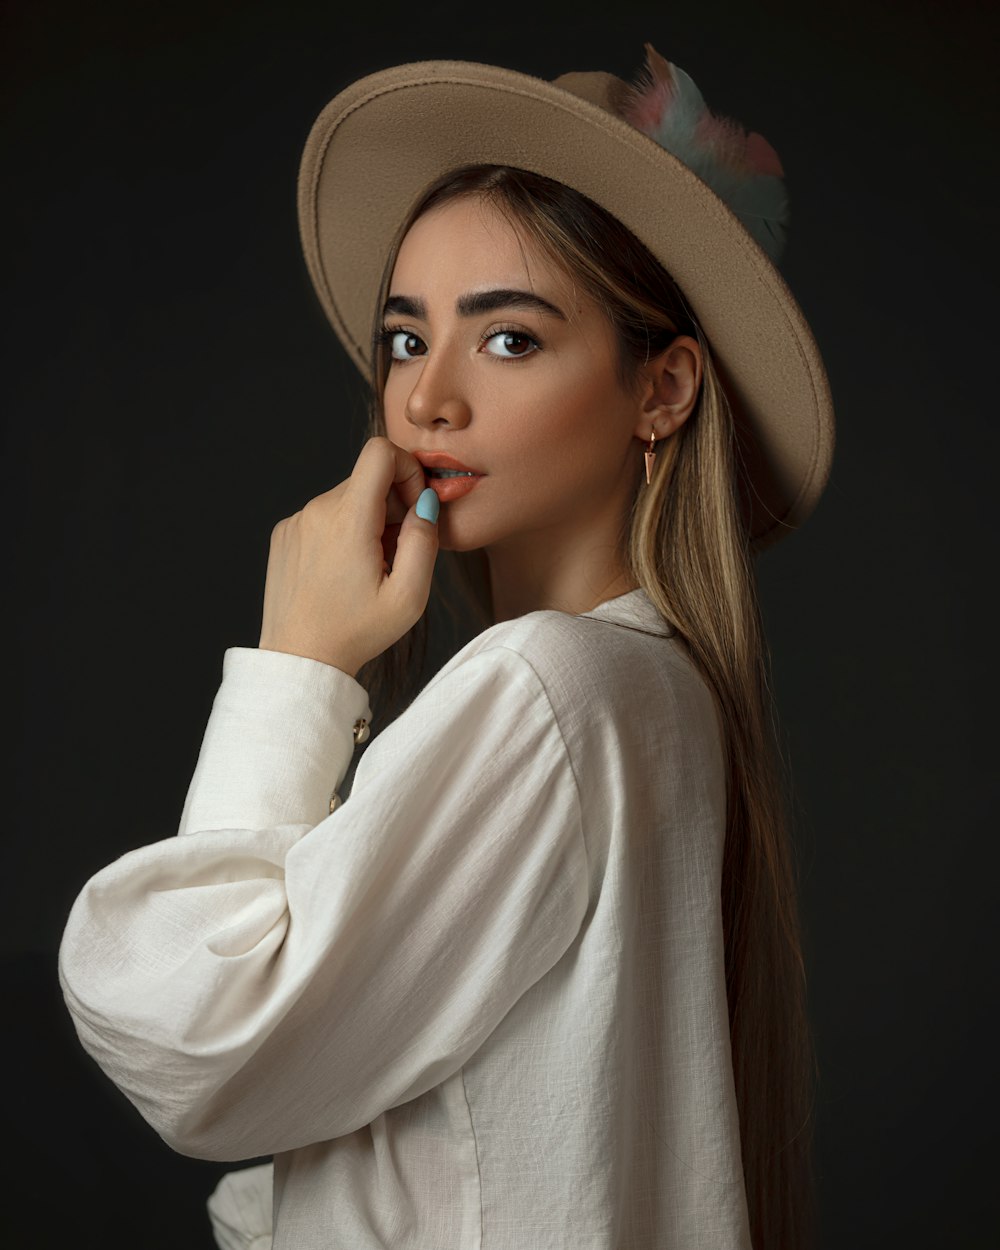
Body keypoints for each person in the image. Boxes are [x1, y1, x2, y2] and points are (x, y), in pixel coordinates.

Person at [58, 42, 835, 1250]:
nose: (426, 403)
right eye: (407, 339)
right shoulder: (658, 690)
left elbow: (192, 1034)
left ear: (663, 389)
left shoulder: (545, 687)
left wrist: (296, 669)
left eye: (509, 338)